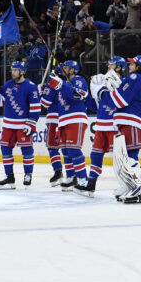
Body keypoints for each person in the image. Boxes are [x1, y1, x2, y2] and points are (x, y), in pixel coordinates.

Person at [96, 55, 141, 202]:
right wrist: (118, 86)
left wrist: (103, 92)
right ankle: (128, 185)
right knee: (123, 157)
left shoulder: (135, 77)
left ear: (139, 66)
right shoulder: (140, 80)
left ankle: (139, 187)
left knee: (130, 156)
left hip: (133, 121)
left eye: (132, 63)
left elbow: (120, 100)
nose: (129, 65)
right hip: (133, 121)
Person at [0, 60, 42, 190]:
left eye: (15, 70)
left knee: (27, 150)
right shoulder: (8, 85)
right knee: (5, 149)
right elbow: (1, 102)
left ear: (22, 72)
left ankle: (28, 175)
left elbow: (35, 107)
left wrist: (31, 123)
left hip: (23, 125)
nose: (12, 72)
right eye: (12, 70)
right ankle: (10, 177)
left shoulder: (30, 86)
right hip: (8, 124)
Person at [79, 56, 124, 197]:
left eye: (113, 64)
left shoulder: (123, 84)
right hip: (101, 126)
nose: (109, 66)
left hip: (115, 125)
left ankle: (127, 185)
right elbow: (97, 106)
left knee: (120, 158)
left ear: (119, 67)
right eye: (109, 63)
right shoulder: (103, 81)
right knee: (96, 155)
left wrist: (105, 89)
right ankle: (91, 184)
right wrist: (86, 96)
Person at [48, 60, 90, 192]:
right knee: (65, 151)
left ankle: (83, 179)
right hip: (63, 120)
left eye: (66, 67)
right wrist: (46, 88)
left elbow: (79, 95)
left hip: (76, 118)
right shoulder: (64, 83)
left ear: (73, 69)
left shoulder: (79, 80)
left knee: (74, 150)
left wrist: (61, 85)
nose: (63, 69)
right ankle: (71, 177)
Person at [39, 74, 64, 186]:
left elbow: (44, 103)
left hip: (54, 119)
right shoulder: (66, 83)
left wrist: (41, 93)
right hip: (66, 117)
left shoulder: (52, 84)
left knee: (52, 147)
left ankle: (58, 172)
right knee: (69, 148)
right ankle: (75, 174)